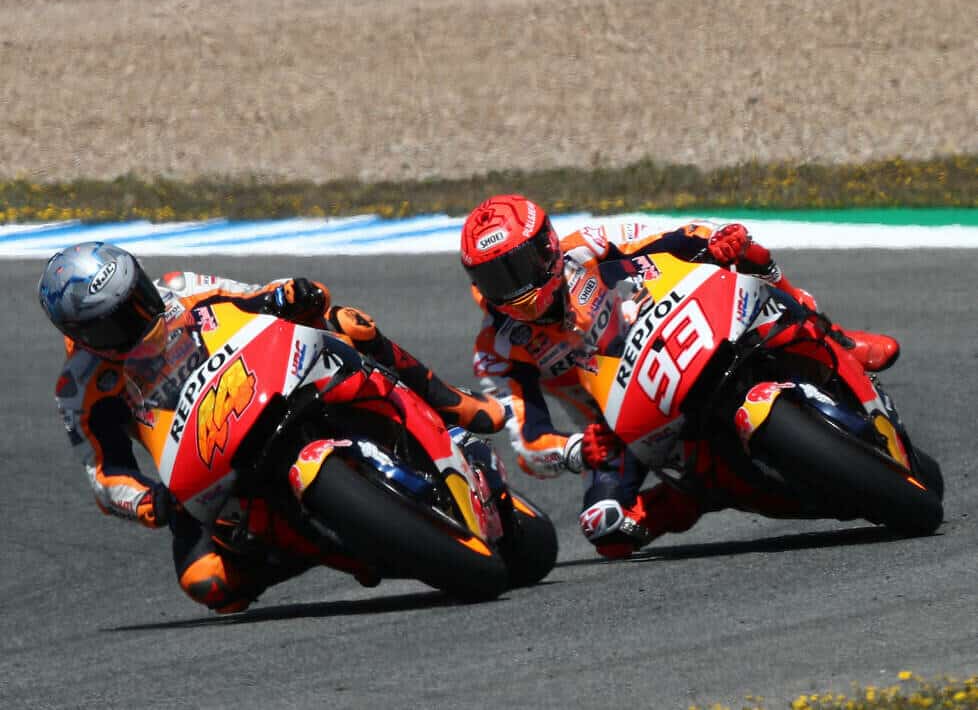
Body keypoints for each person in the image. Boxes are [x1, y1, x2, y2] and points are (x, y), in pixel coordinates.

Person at [39, 241, 505, 613]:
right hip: (203, 460)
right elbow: (105, 476)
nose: (143, 315)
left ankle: (449, 403)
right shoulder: (80, 387)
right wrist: (148, 500)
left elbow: (251, 296)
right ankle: (323, 545)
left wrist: (287, 295)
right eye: (118, 321)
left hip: (264, 381)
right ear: (84, 336)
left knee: (347, 323)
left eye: (138, 298)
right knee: (207, 582)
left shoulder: (180, 288)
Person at [459, 194, 900, 558]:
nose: (513, 288)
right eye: (495, 277)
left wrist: (717, 241)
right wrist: (576, 450)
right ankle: (697, 493)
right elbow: (528, 442)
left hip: (670, 330)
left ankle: (835, 338)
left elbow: (673, 235)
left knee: (747, 256)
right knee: (606, 528)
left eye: (518, 267)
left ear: (547, 248)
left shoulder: (587, 245)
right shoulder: (497, 346)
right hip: (618, 426)